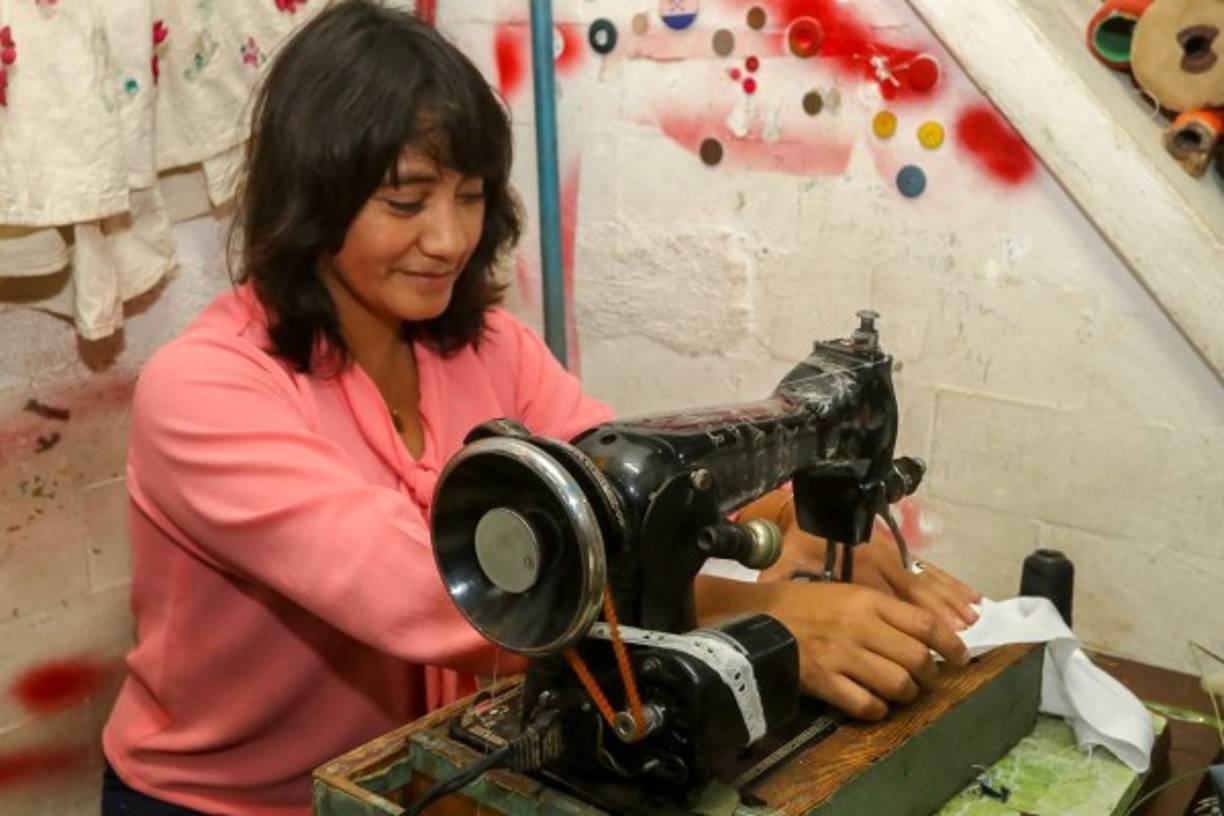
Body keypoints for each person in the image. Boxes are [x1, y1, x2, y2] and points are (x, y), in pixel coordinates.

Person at [100, 2, 980, 814]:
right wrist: (755, 615)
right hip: (230, 805)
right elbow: (433, 590)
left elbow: (621, 493)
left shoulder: (487, 349)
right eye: (405, 202)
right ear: (312, 198)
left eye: (472, 195)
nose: (448, 240)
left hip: (427, 774)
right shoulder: (203, 392)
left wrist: (802, 528)